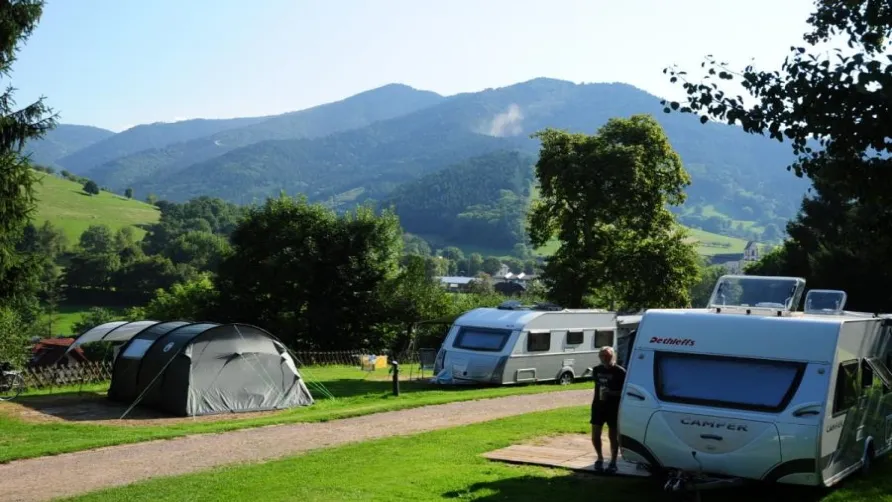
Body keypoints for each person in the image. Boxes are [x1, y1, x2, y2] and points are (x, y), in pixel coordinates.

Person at [590, 345, 626, 473]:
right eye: (602, 356)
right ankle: (600, 458)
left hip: (613, 407)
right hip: (598, 406)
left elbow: (625, 392)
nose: (605, 358)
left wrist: (611, 393)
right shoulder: (596, 370)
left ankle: (613, 462)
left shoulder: (620, 371)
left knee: (613, 436)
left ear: (613, 356)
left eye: (608, 356)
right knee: (595, 435)